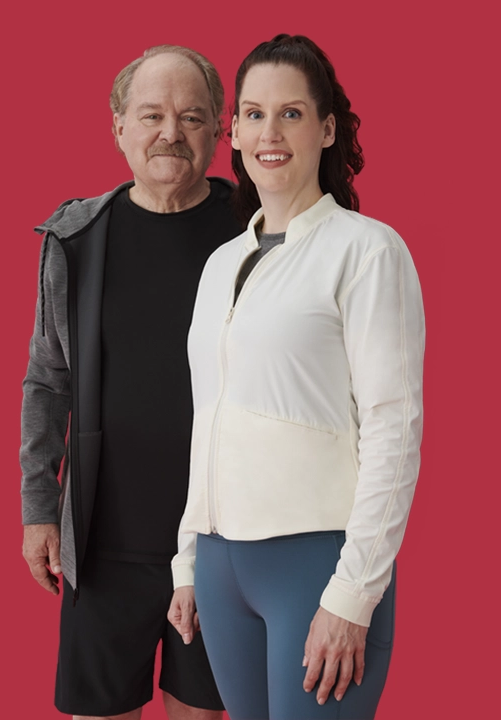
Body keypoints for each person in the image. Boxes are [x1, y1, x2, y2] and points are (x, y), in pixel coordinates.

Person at [167, 35, 425, 719]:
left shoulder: (366, 252)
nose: (268, 133)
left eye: (290, 114)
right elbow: (209, 418)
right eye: (253, 115)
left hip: (317, 562)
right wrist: (188, 561)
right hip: (222, 569)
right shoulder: (221, 265)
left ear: (327, 128)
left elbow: (393, 432)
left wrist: (352, 593)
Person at [20, 45, 242, 720]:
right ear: (119, 126)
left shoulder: (256, 236)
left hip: (221, 542)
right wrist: (37, 507)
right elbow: (46, 379)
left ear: (217, 132)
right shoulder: (76, 240)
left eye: (191, 116)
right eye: (151, 115)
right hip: (104, 541)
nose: (169, 132)